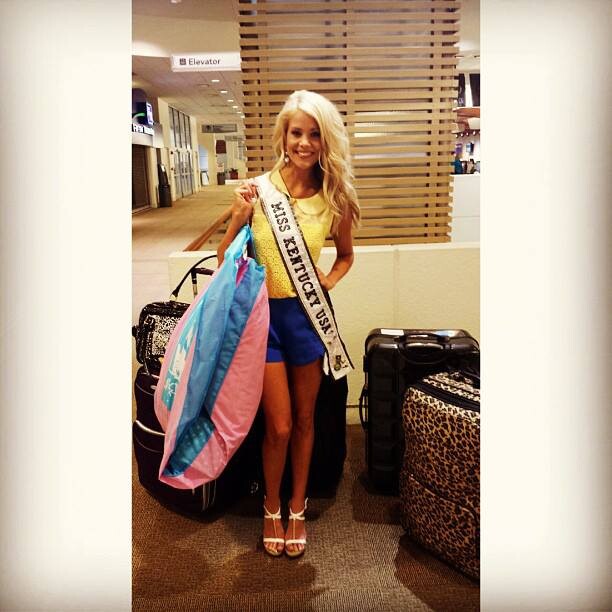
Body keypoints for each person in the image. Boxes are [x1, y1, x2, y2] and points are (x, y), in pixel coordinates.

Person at [217, 90, 360, 558]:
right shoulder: (258, 192)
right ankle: (271, 505)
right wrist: (239, 216)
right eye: (297, 132)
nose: (304, 143)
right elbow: (223, 258)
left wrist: (327, 281)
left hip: (306, 320)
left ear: (326, 140)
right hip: (263, 322)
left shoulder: (334, 198)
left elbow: (345, 257)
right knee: (277, 426)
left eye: (314, 134)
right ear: (283, 135)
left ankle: (296, 505)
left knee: (304, 420)